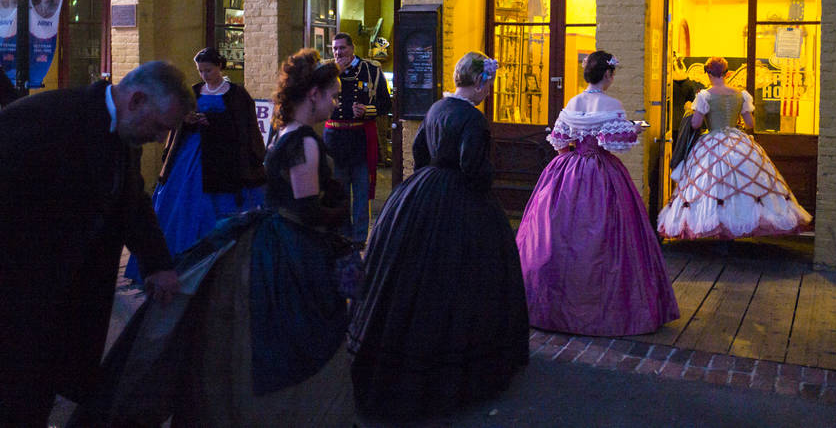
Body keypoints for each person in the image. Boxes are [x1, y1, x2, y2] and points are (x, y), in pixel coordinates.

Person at [74, 48, 355, 426]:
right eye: (333, 96)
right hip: (293, 248)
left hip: (271, 236)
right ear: (314, 95)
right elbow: (306, 213)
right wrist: (338, 213)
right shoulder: (304, 140)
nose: (335, 103)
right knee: (298, 332)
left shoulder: (283, 130)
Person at [0, 61, 190, 427]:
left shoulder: (123, 132)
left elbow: (131, 203)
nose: (158, 139)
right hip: (18, 296)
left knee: (37, 395)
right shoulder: (47, 117)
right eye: (158, 127)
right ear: (135, 100)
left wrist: (158, 264)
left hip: (62, 302)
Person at [348, 51, 529, 419]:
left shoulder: (436, 109)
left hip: (424, 191)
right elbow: (473, 167)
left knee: (414, 278)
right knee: (462, 279)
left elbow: (419, 153)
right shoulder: (472, 120)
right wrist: (484, 183)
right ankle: (452, 365)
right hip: (461, 201)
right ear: (478, 83)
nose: (488, 92)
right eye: (488, 85)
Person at [516, 51, 680, 336]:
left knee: (559, 232)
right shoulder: (612, 104)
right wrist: (633, 129)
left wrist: (573, 153)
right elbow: (614, 141)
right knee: (610, 236)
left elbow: (559, 141)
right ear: (607, 75)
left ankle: (551, 305)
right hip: (602, 173)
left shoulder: (573, 102)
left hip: (566, 171)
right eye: (613, 74)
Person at [125, 47, 266, 282]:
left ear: (219, 67)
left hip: (223, 161)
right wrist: (187, 120)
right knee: (179, 203)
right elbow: (177, 119)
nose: (204, 75)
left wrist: (214, 122)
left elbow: (243, 128)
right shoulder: (194, 91)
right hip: (190, 157)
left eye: (208, 70)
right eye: (200, 71)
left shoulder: (236, 94)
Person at [658, 56, 813, 240]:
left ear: (708, 73)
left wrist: (690, 111)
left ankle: (715, 226)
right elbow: (749, 123)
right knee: (740, 183)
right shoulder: (741, 95)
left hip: (712, 142)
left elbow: (696, 123)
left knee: (713, 183)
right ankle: (738, 223)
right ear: (726, 73)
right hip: (737, 141)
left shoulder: (704, 95)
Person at [324, 32, 392, 246]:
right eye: (334, 49)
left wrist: (367, 110)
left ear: (352, 48)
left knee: (362, 192)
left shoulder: (371, 70)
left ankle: (360, 238)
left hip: (360, 139)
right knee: (339, 192)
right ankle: (343, 235)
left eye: (342, 48)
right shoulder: (326, 73)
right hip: (334, 139)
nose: (338, 53)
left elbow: (386, 104)